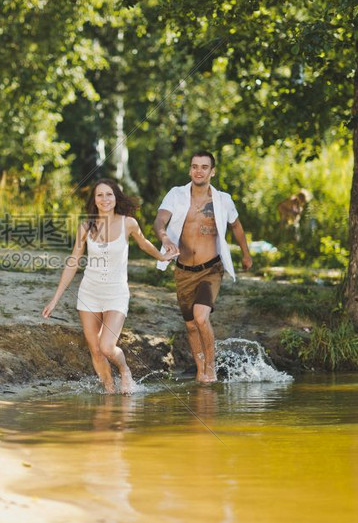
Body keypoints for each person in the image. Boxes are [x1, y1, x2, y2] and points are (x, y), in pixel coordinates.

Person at [42, 179, 174, 394]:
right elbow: (73, 261)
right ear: (94, 200)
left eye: (109, 194)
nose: (105, 199)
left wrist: (162, 256)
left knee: (106, 346)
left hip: (116, 293)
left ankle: (124, 371)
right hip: (89, 293)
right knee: (95, 350)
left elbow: (144, 244)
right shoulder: (86, 226)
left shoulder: (128, 223)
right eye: (100, 195)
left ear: (116, 198)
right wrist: (55, 298)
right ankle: (110, 392)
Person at [154, 151, 252, 383]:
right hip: (183, 270)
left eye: (204, 167)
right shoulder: (176, 195)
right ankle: (201, 372)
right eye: (195, 166)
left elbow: (236, 226)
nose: (199, 171)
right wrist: (165, 238)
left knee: (200, 317)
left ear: (212, 171)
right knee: (190, 325)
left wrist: (246, 254)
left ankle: (211, 369)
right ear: (190, 170)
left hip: (211, 269)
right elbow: (160, 219)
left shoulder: (222, 200)